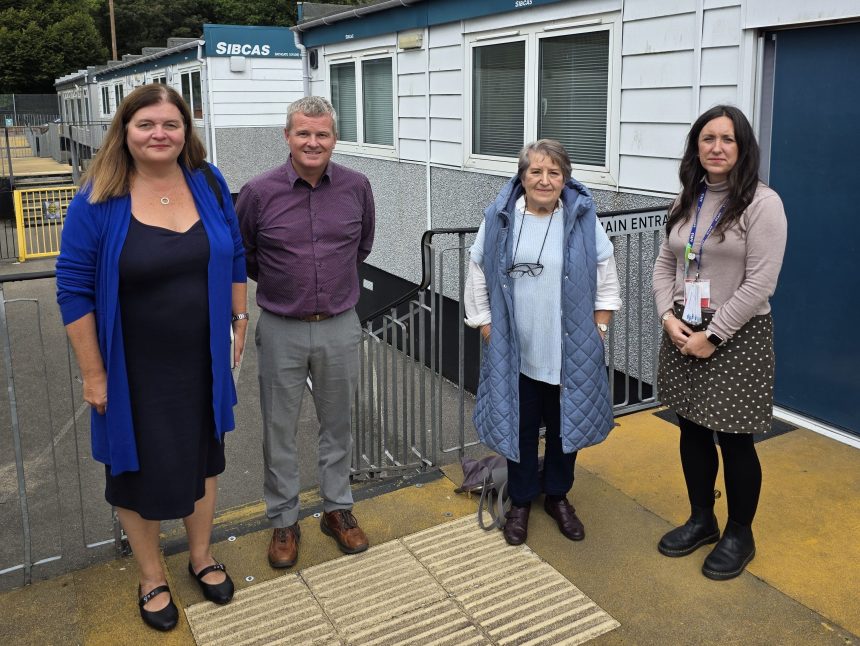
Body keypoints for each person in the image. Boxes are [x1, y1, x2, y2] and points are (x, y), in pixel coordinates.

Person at [56, 84, 247, 631]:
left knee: (204, 459)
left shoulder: (208, 182)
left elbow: (234, 250)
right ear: (126, 130)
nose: (159, 134)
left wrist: (239, 316)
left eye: (171, 124)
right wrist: (95, 374)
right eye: (147, 124)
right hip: (130, 366)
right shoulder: (100, 194)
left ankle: (201, 555)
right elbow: (72, 288)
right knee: (134, 470)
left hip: (201, 359)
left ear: (186, 130)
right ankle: (150, 575)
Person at [236, 96, 375, 568]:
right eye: (303, 133)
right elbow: (246, 254)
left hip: (339, 324)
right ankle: (284, 518)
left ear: (334, 139)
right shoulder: (257, 192)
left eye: (323, 134)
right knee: (279, 429)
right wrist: (288, 285)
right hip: (281, 327)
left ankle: (337, 510)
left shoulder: (357, 187)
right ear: (287, 137)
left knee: (339, 425)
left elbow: (361, 246)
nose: (313, 142)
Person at [652, 105, 787, 580]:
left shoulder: (762, 203)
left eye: (727, 139)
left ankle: (739, 533)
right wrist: (667, 317)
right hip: (684, 328)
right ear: (696, 147)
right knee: (690, 430)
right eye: (707, 138)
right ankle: (701, 519)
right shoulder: (685, 199)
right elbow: (665, 263)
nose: (716, 147)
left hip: (737, 335)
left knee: (734, 441)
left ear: (742, 146)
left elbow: (760, 282)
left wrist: (714, 335)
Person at [464, 139, 621, 546]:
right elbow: (478, 270)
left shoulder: (582, 219)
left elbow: (606, 275)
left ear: (565, 178)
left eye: (554, 172)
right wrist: (484, 324)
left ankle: (557, 497)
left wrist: (599, 329)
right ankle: (520, 502)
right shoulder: (500, 218)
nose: (545, 180)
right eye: (536, 171)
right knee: (519, 428)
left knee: (566, 428)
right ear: (522, 176)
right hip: (517, 351)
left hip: (569, 350)